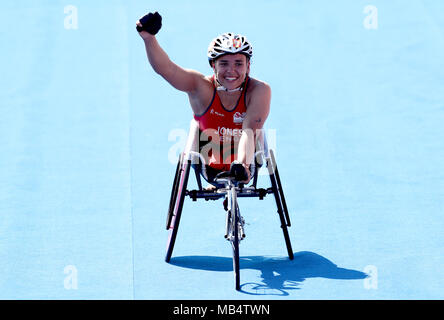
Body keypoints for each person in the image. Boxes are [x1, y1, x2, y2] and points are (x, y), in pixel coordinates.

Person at [136, 12, 271, 184]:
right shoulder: (201, 88)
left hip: (245, 166)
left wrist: (242, 165)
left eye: (238, 63)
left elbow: (249, 131)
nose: (231, 71)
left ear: (248, 66)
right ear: (213, 65)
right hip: (209, 166)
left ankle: (240, 167)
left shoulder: (259, 90)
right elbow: (168, 69)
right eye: (224, 64)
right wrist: (149, 38)